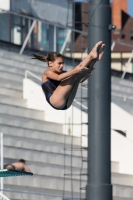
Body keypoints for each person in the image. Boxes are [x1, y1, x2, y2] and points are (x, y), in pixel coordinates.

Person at [32, 41, 105, 110]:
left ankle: (95, 59)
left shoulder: (62, 72)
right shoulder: (47, 72)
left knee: (76, 76)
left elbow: (81, 80)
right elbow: (58, 78)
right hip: (55, 101)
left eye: (63, 63)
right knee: (74, 74)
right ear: (50, 63)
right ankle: (91, 56)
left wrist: (88, 72)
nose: (62, 66)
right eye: (59, 63)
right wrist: (75, 70)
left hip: (66, 104)